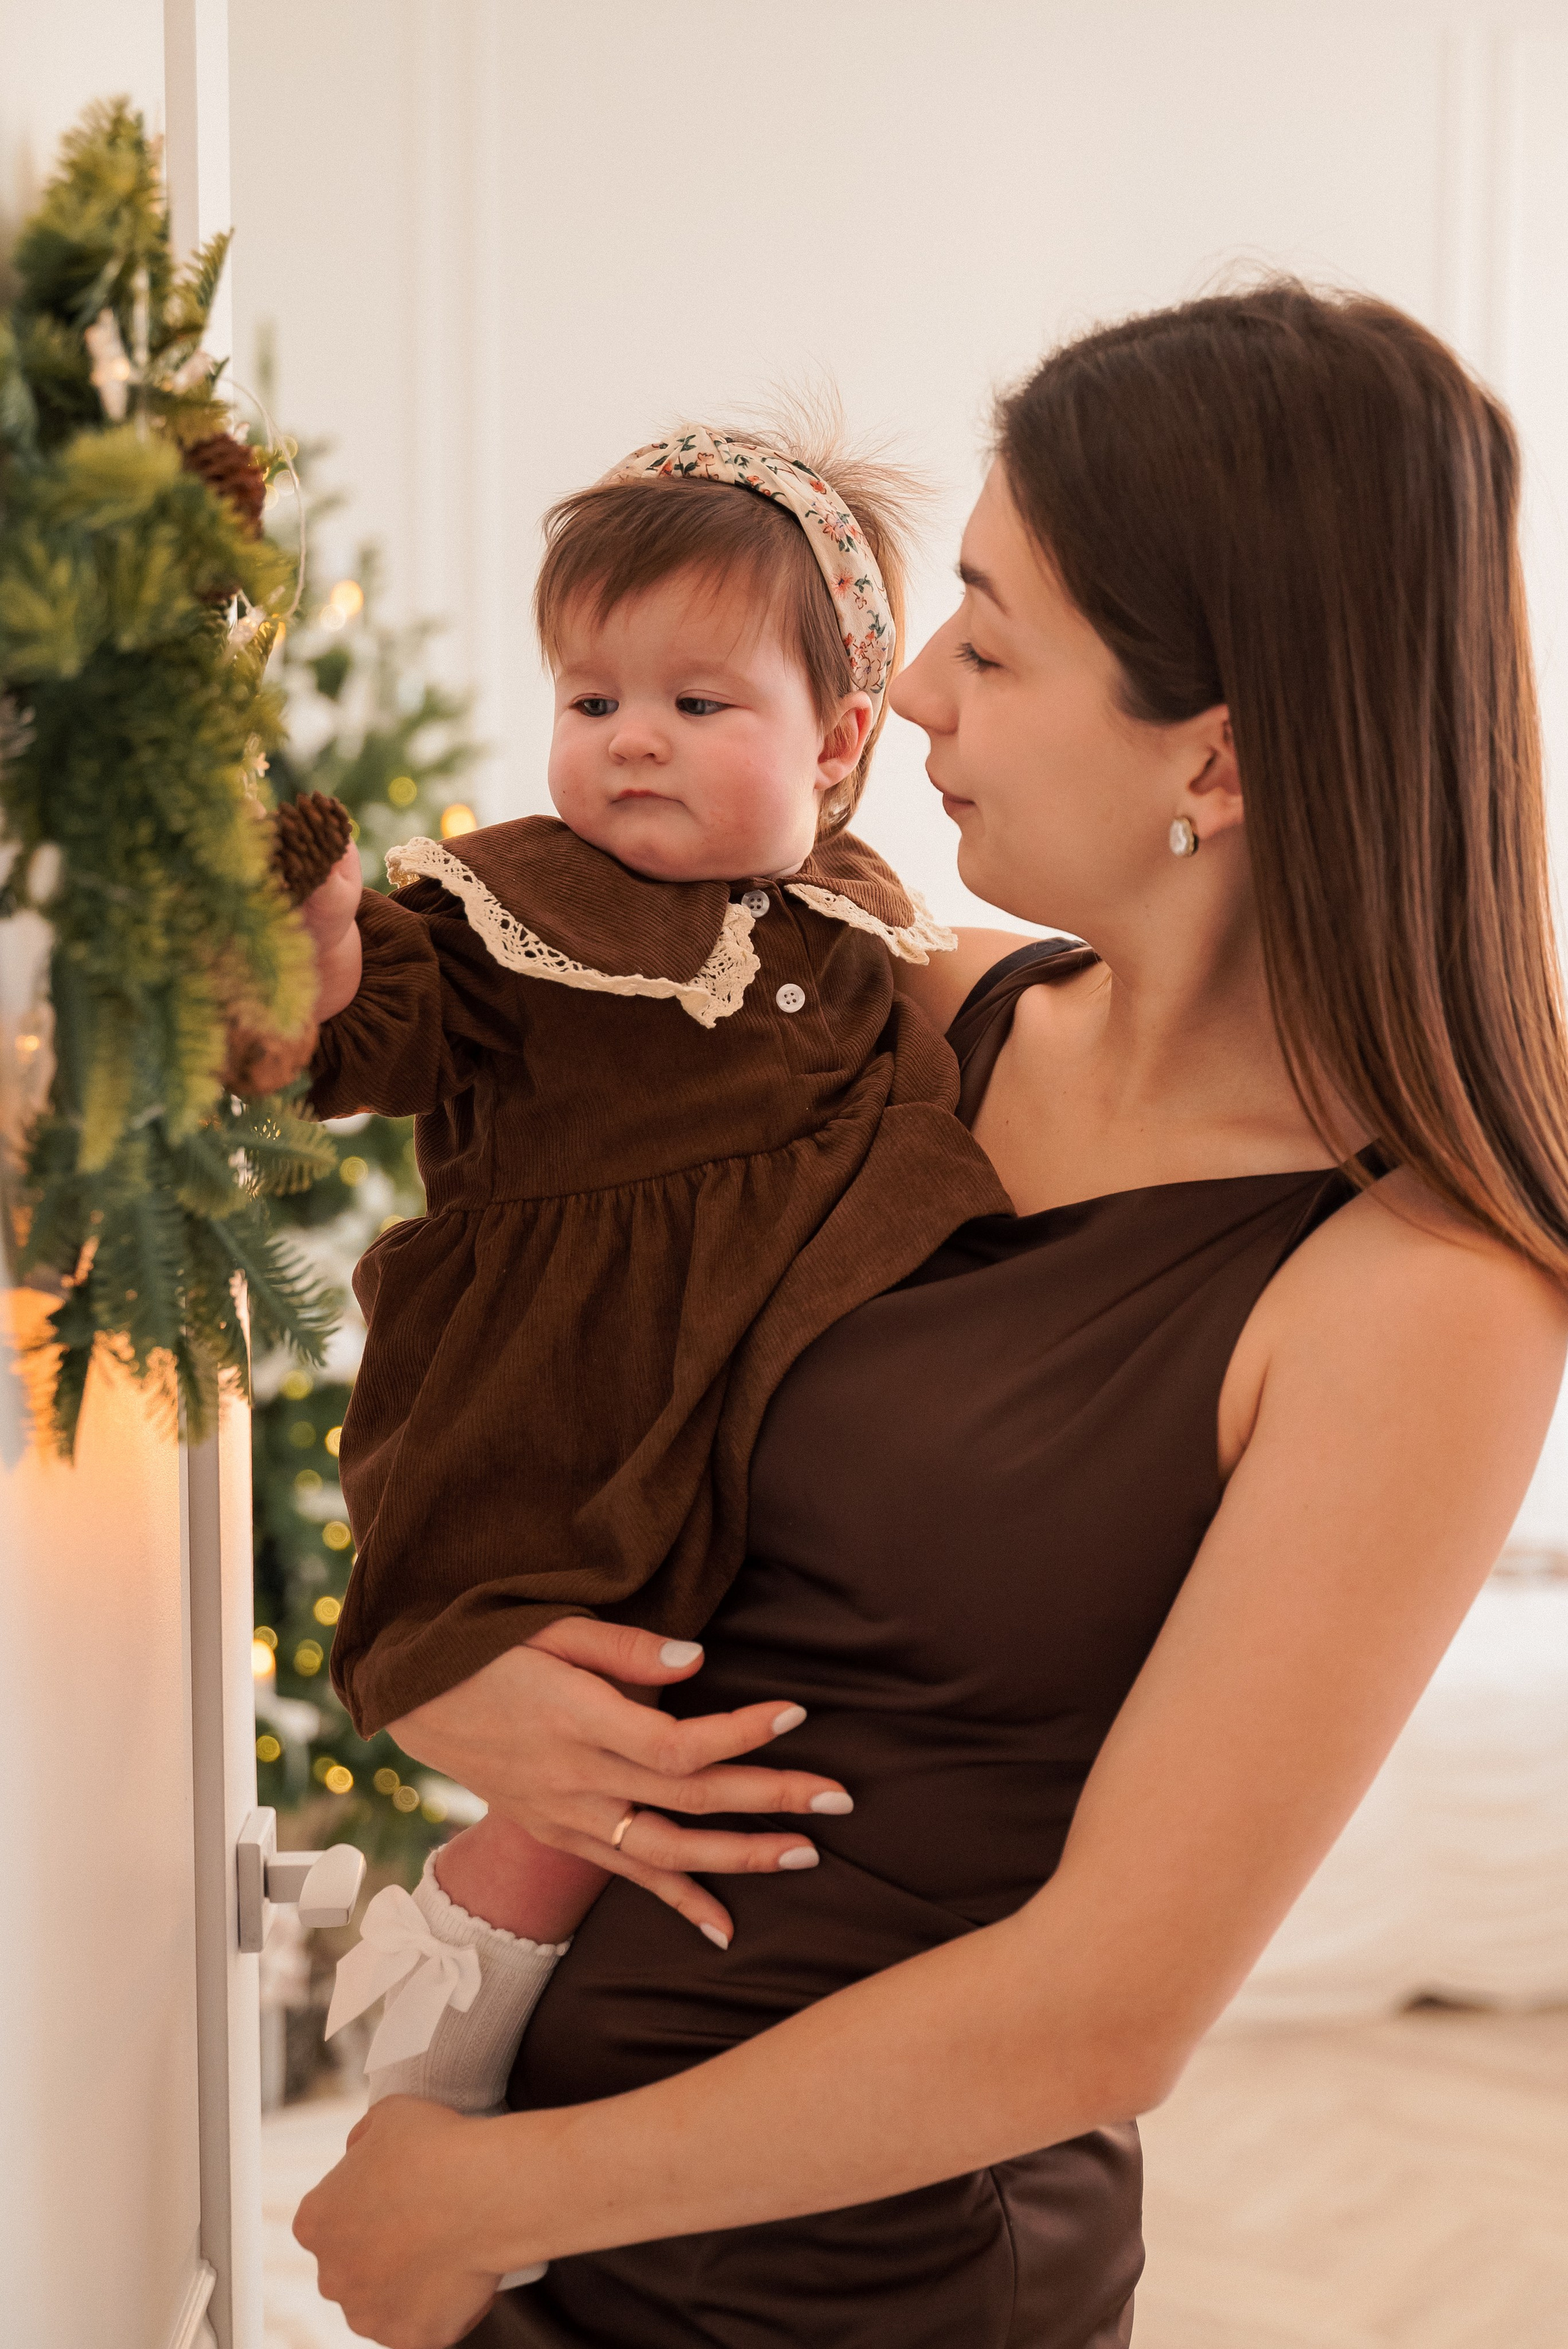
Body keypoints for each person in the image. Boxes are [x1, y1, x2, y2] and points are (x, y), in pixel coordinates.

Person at [295, 282, 1568, 2349]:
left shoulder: (1424, 1294)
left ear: (1217, 763)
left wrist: (489, 2192)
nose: (922, 701)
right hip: (554, 2216)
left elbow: (1104, 2008)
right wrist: (444, 1677)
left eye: (988, 631)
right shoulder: (886, 1022)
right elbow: (533, 1305)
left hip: (855, 2284)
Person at [300, 419, 1009, 2157]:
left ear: (840, 741)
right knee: (588, 1696)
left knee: (699, 1718)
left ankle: (553, 1995)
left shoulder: (866, 930)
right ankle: (453, 1981)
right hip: (555, 1402)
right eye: (589, 694)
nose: (627, 743)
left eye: (698, 705)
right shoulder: (509, 902)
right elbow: (390, 1026)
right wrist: (320, 966)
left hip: (746, 1407)